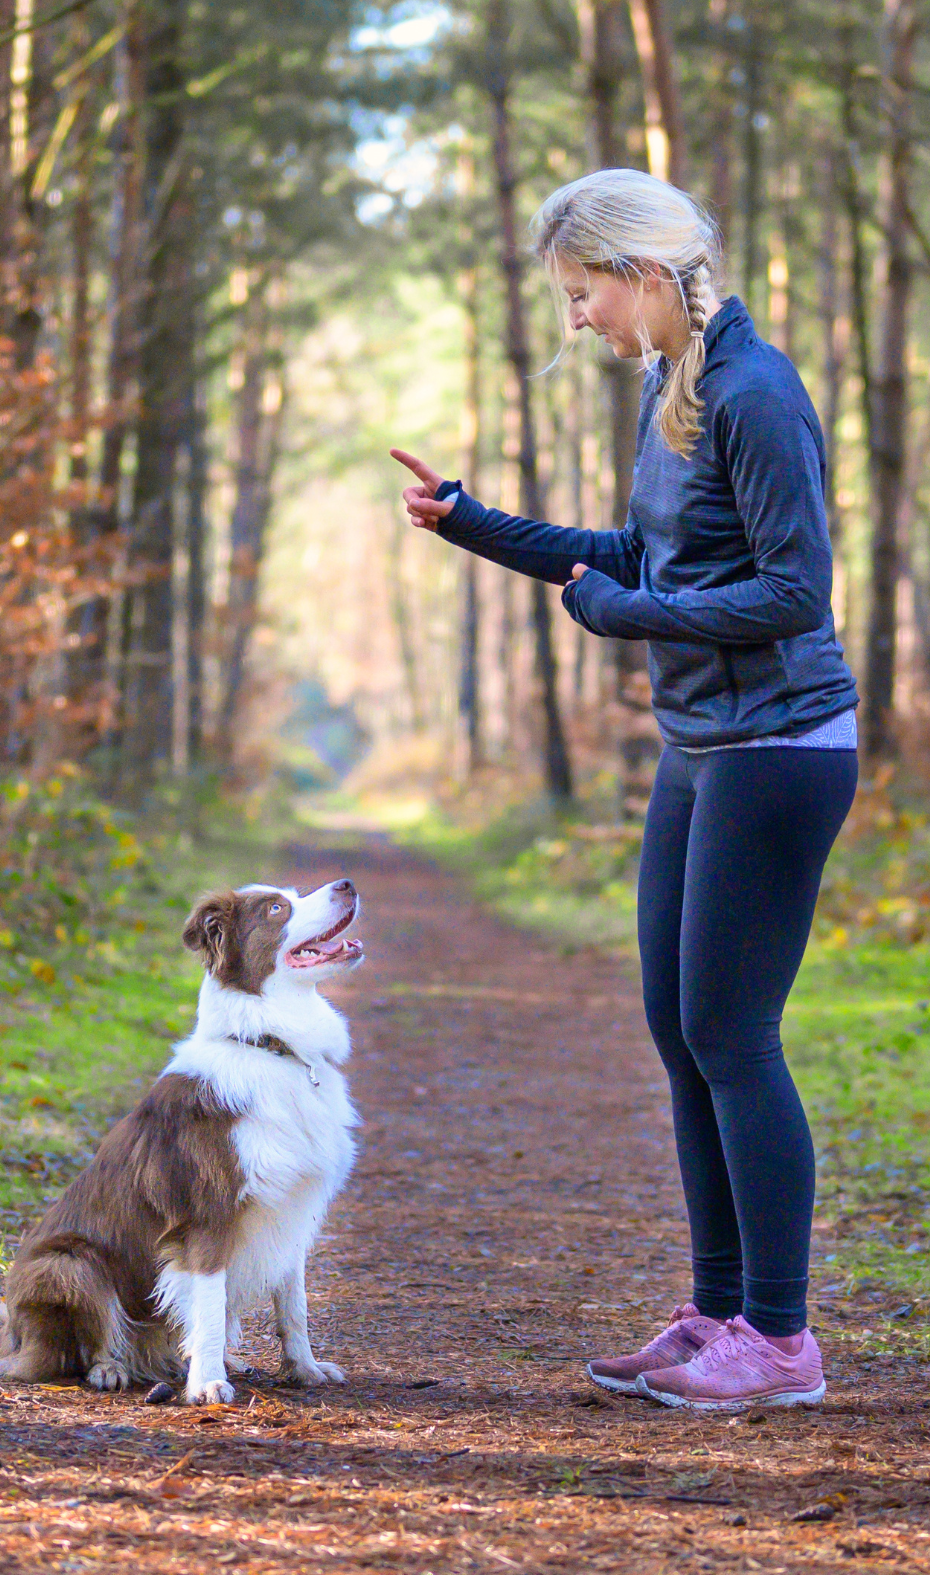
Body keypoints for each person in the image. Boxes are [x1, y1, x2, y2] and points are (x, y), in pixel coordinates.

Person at [392, 168, 857, 1412]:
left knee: (733, 1035)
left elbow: (793, 593)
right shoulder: (677, 382)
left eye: (583, 291)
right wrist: (471, 523)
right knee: (678, 1028)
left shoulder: (755, 393)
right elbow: (639, 555)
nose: (579, 318)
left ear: (644, 274)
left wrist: (625, 615)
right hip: (702, 742)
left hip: (779, 746)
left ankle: (781, 1338)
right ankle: (715, 1314)